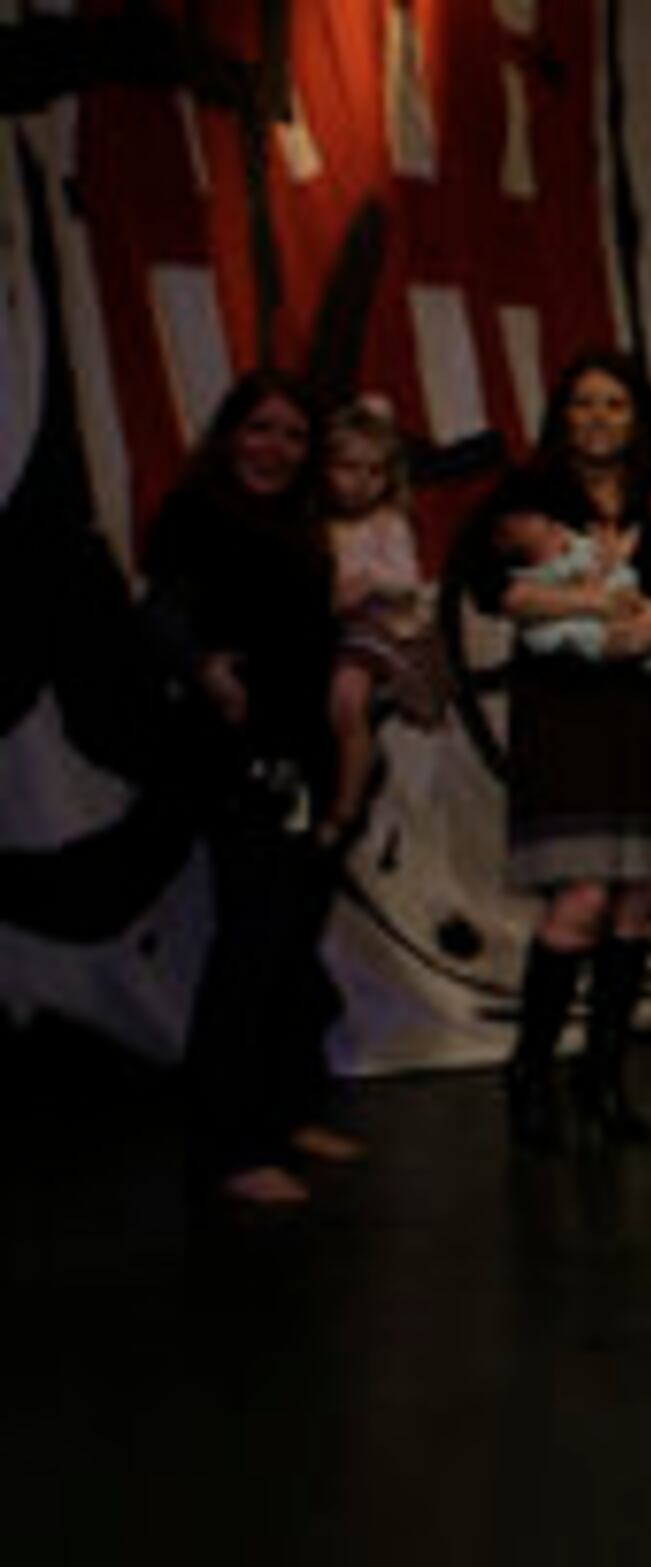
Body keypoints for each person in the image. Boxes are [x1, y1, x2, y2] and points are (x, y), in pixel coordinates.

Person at [464, 352, 651, 1157]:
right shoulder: (527, 496)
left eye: (615, 403)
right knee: (582, 901)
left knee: (639, 903)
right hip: (569, 712)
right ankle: (530, 1074)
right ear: (562, 414)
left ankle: (603, 1079)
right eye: (584, 404)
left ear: (638, 415)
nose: (599, 418)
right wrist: (594, 601)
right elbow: (487, 587)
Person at [139, 371, 353, 1204]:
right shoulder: (197, 514)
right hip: (235, 756)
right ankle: (228, 1146)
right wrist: (202, 668)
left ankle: (284, 1113)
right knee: (252, 944)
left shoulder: (303, 529)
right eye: (261, 430)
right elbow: (161, 613)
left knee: (293, 941)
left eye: (295, 436)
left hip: (301, 755)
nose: (276, 449)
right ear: (230, 434)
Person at [315, 402, 443, 840]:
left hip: (380, 628)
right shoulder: (319, 524)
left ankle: (345, 807)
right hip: (330, 629)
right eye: (348, 467)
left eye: (374, 471)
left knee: (348, 695)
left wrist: (368, 583)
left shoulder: (387, 524)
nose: (361, 483)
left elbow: (407, 583)